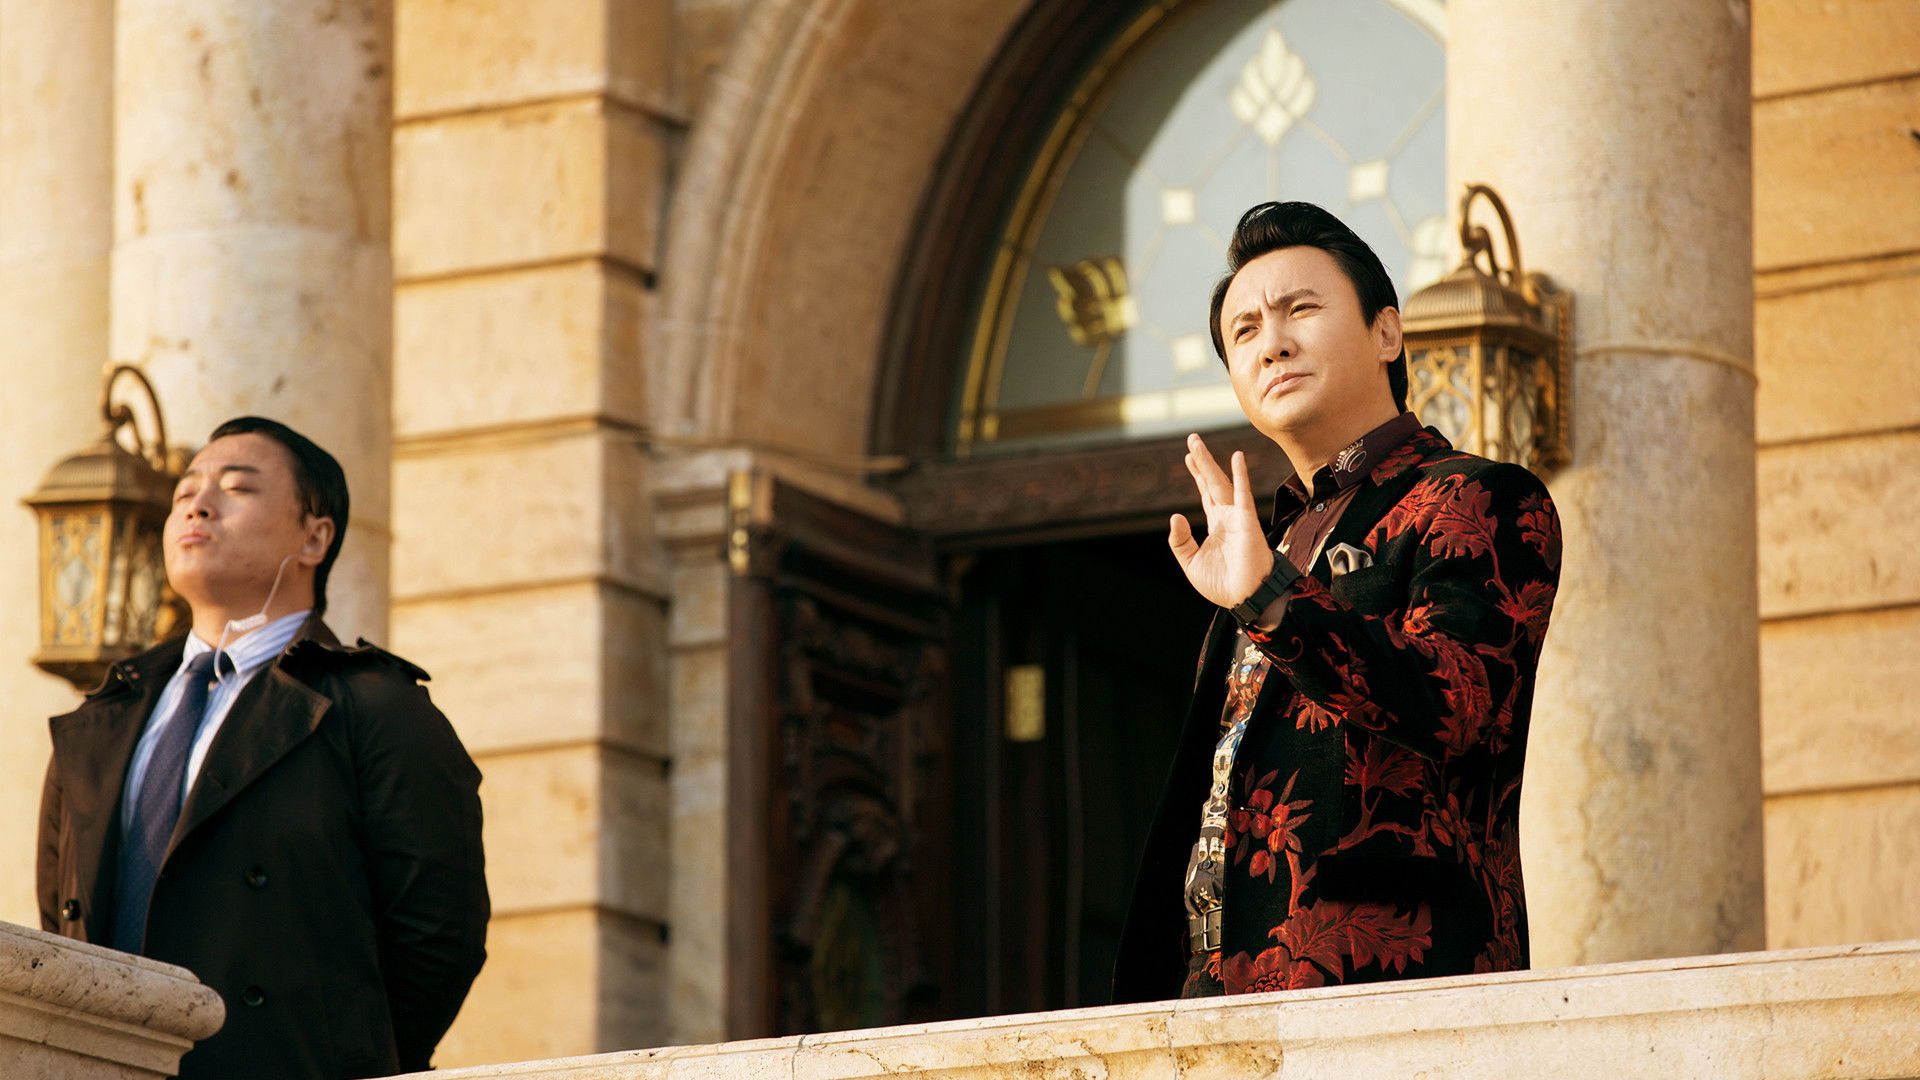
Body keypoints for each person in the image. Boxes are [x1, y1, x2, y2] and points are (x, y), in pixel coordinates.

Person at [1113, 203, 1562, 1001]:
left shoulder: (1478, 496)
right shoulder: (1264, 548)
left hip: (1397, 982)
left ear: (1387, 333)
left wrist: (1273, 603)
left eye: (1301, 310)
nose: (1272, 343)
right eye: (1245, 331)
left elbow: (1458, 704)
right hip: (1216, 990)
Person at [37, 416, 488, 1078]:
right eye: (185, 490)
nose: (197, 504)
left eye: (237, 487)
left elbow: (437, 937)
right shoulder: (100, 719)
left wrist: (344, 1059)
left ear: (314, 537)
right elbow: (63, 930)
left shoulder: (377, 709)